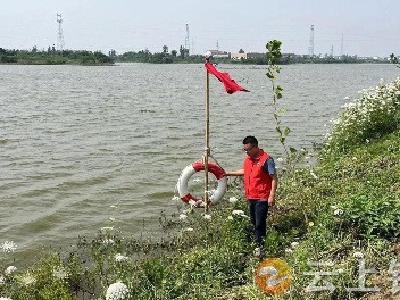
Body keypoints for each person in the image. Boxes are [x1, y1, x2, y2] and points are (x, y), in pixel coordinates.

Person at [226, 135, 278, 256]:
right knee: (254, 221)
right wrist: (227, 173)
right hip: (251, 196)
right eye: (244, 150)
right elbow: (244, 171)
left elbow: (274, 178)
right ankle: (257, 240)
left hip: (262, 197)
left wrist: (272, 195)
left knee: (260, 222)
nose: (246, 153)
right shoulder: (248, 160)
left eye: (248, 150)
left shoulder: (267, 160)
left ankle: (261, 247)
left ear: (255, 147)